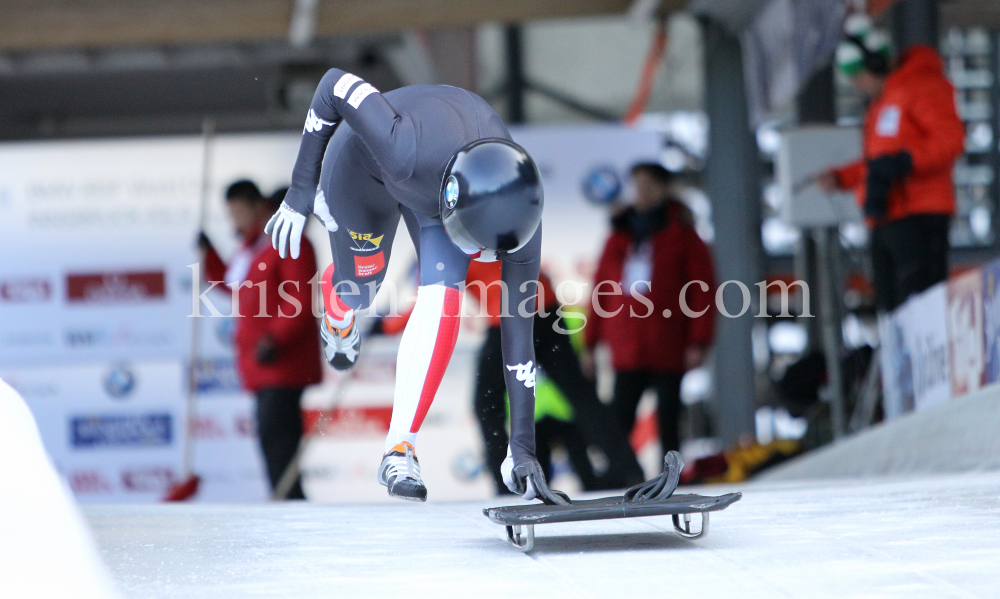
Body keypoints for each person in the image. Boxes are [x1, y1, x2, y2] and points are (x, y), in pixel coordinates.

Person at [265, 69, 565, 504]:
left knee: (444, 299)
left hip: (438, 185)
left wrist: (521, 448)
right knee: (362, 286)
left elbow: (520, 343)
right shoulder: (402, 146)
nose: (482, 258)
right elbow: (332, 84)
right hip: (363, 167)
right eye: (475, 244)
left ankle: (399, 448)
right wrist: (300, 188)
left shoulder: (520, 220)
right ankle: (339, 308)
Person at [466, 261, 645, 494]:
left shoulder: (453, 241)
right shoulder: (485, 231)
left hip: (509, 321)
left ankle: (507, 485)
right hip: (543, 310)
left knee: (487, 405)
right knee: (582, 396)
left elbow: (429, 302)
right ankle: (627, 470)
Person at [819, 27, 964, 312]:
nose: (858, 86)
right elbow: (880, 161)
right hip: (889, 217)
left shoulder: (922, 86)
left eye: (859, 77)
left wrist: (905, 162)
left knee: (920, 306)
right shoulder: (884, 101)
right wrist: (842, 177)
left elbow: (950, 139)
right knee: (891, 307)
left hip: (920, 214)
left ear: (875, 65)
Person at [584, 163, 715, 458]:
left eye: (648, 186)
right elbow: (601, 291)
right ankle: (619, 479)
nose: (641, 193)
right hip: (627, 345)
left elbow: (702, 292)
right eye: (637, 186)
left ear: (663, 189)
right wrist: (589, 344)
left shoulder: (684, 236)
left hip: (669, 342)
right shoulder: (618, 237)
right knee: (621, 417)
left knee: (668, 417)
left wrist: (699, 341)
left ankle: (670, 481)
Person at [200, 180, 321, 500]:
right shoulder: (255, 248)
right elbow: (235, 286)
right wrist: (208, 254)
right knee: (274, 443)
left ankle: (290, 507)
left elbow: (301, 299)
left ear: (260, 207)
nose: (235, 221)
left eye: (240, 211)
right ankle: (287, 504)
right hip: (263, 364)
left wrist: (274, 339)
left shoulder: (288, 243)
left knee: (279, 442)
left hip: (280, 362)